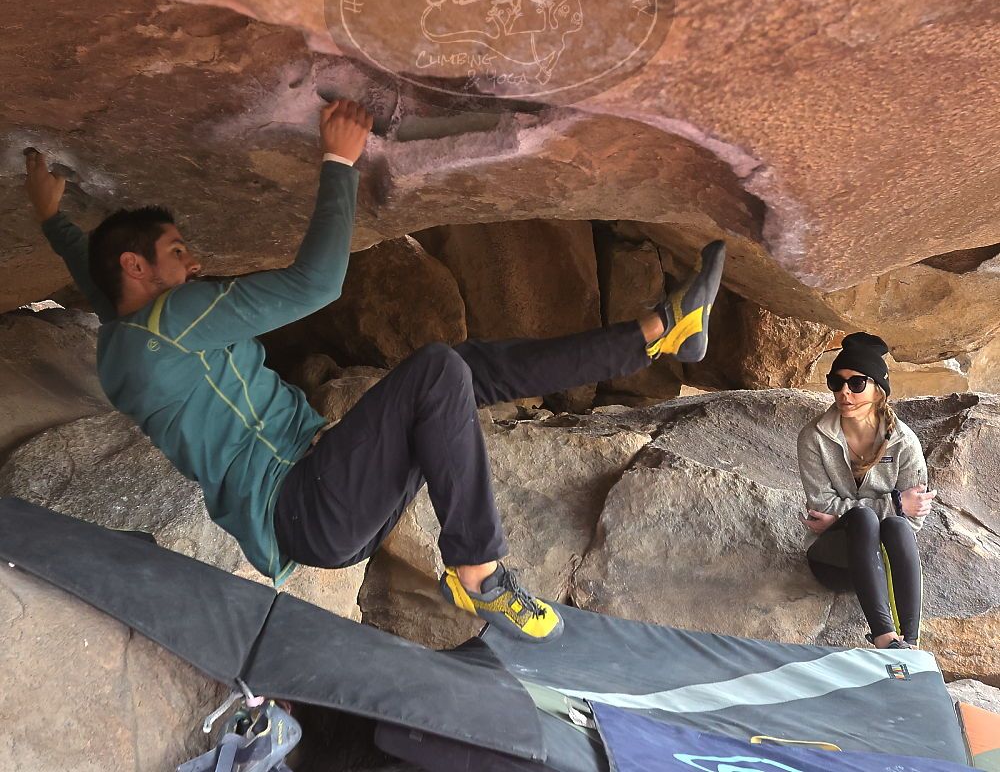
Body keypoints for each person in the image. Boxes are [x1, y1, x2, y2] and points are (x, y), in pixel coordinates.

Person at [24, 97, 727, 644]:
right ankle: (478, 572)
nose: (195, 262)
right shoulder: (171, 320)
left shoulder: (127, 344)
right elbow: (316, 284)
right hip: (306, 501)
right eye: (178, 251)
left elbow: (102, 285)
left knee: (462, 370)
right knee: (439, 369)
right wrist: (339, 162)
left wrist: (53, 219)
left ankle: (658, 333)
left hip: (320, 511)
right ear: (137, 266)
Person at [797, 332, 934, 649]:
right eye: (836, 382)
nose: (844, 392)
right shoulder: (814, 437)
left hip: (882, 565)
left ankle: (911, 642)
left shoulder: (903, 442)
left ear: (878, 389)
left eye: (856, 383)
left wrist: (842, 519)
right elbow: (822, 507)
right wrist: (895, 503)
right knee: (864, 519)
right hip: (834, 563)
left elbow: (913, 519)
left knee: (896, 526)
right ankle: (884, 637)